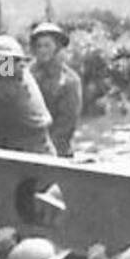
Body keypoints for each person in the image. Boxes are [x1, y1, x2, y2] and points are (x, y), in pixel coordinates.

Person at [28, 22, 83, 158]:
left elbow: (67, 124)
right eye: (39, 46)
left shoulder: (70, 81)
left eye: (47, 45)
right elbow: (3, 83)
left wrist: (46, 151)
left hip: (57, 150)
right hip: (26, 145)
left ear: (57, 48)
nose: (42, 50)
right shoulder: (26, 72)